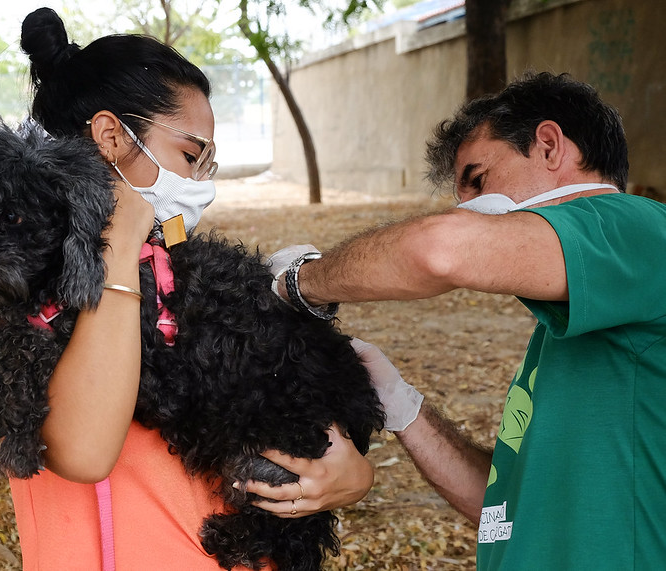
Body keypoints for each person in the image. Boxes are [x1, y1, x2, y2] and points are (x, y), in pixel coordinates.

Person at [0, 8, 372, 570]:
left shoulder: (186, 269)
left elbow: (287, 397)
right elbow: (84, 449)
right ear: (110, 138)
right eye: (192, 156)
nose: (200, 184)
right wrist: (117, 243)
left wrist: (350, 476)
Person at [250, 71, 666, 569]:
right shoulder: (581, 322)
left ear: (551, 146)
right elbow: (503, 511)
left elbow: (438, 250)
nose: (466, 207)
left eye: (477, 179)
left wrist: (299, 283)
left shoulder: (639, 228)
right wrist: (403, 407)